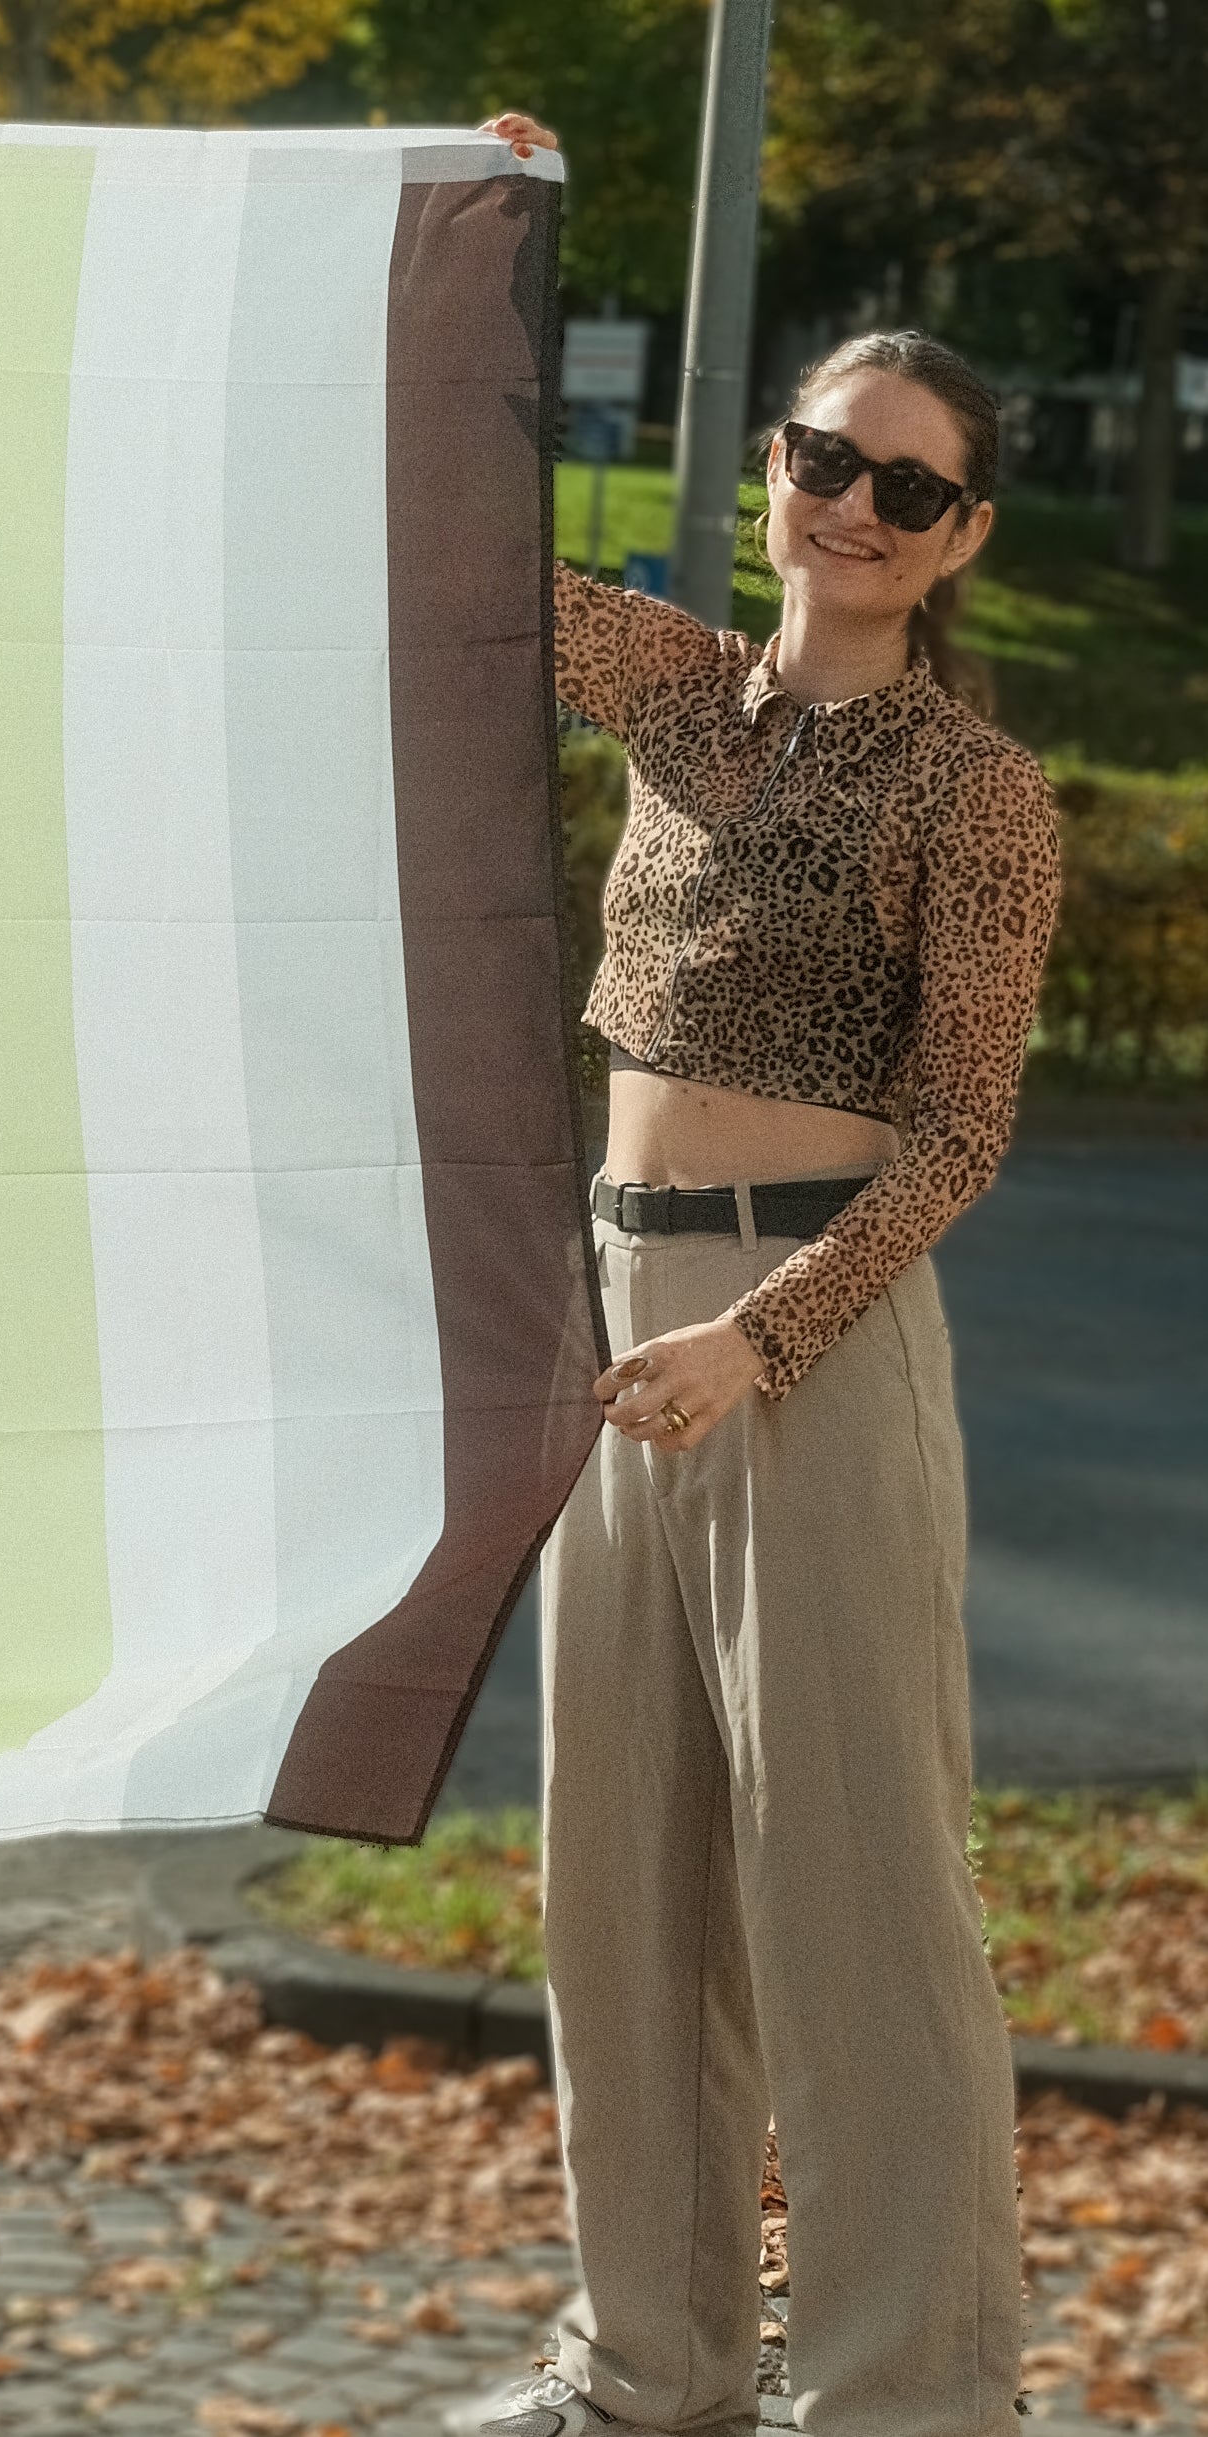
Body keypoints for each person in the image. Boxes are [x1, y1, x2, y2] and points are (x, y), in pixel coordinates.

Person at [456, 114, 1060, 2437]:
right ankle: (645, 2368)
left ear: (960, 536)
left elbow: (964, 1131)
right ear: (773, 466)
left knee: (858, 1916)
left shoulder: (972, 790)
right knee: (618, 1893)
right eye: (826, 455)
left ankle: (915, 2397)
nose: (852, 508)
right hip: (617, 1348)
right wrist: (489, 242)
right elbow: (464, 553)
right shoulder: (683, 693)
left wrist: (759, 1333)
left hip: (802, 1351)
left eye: (907, 487)